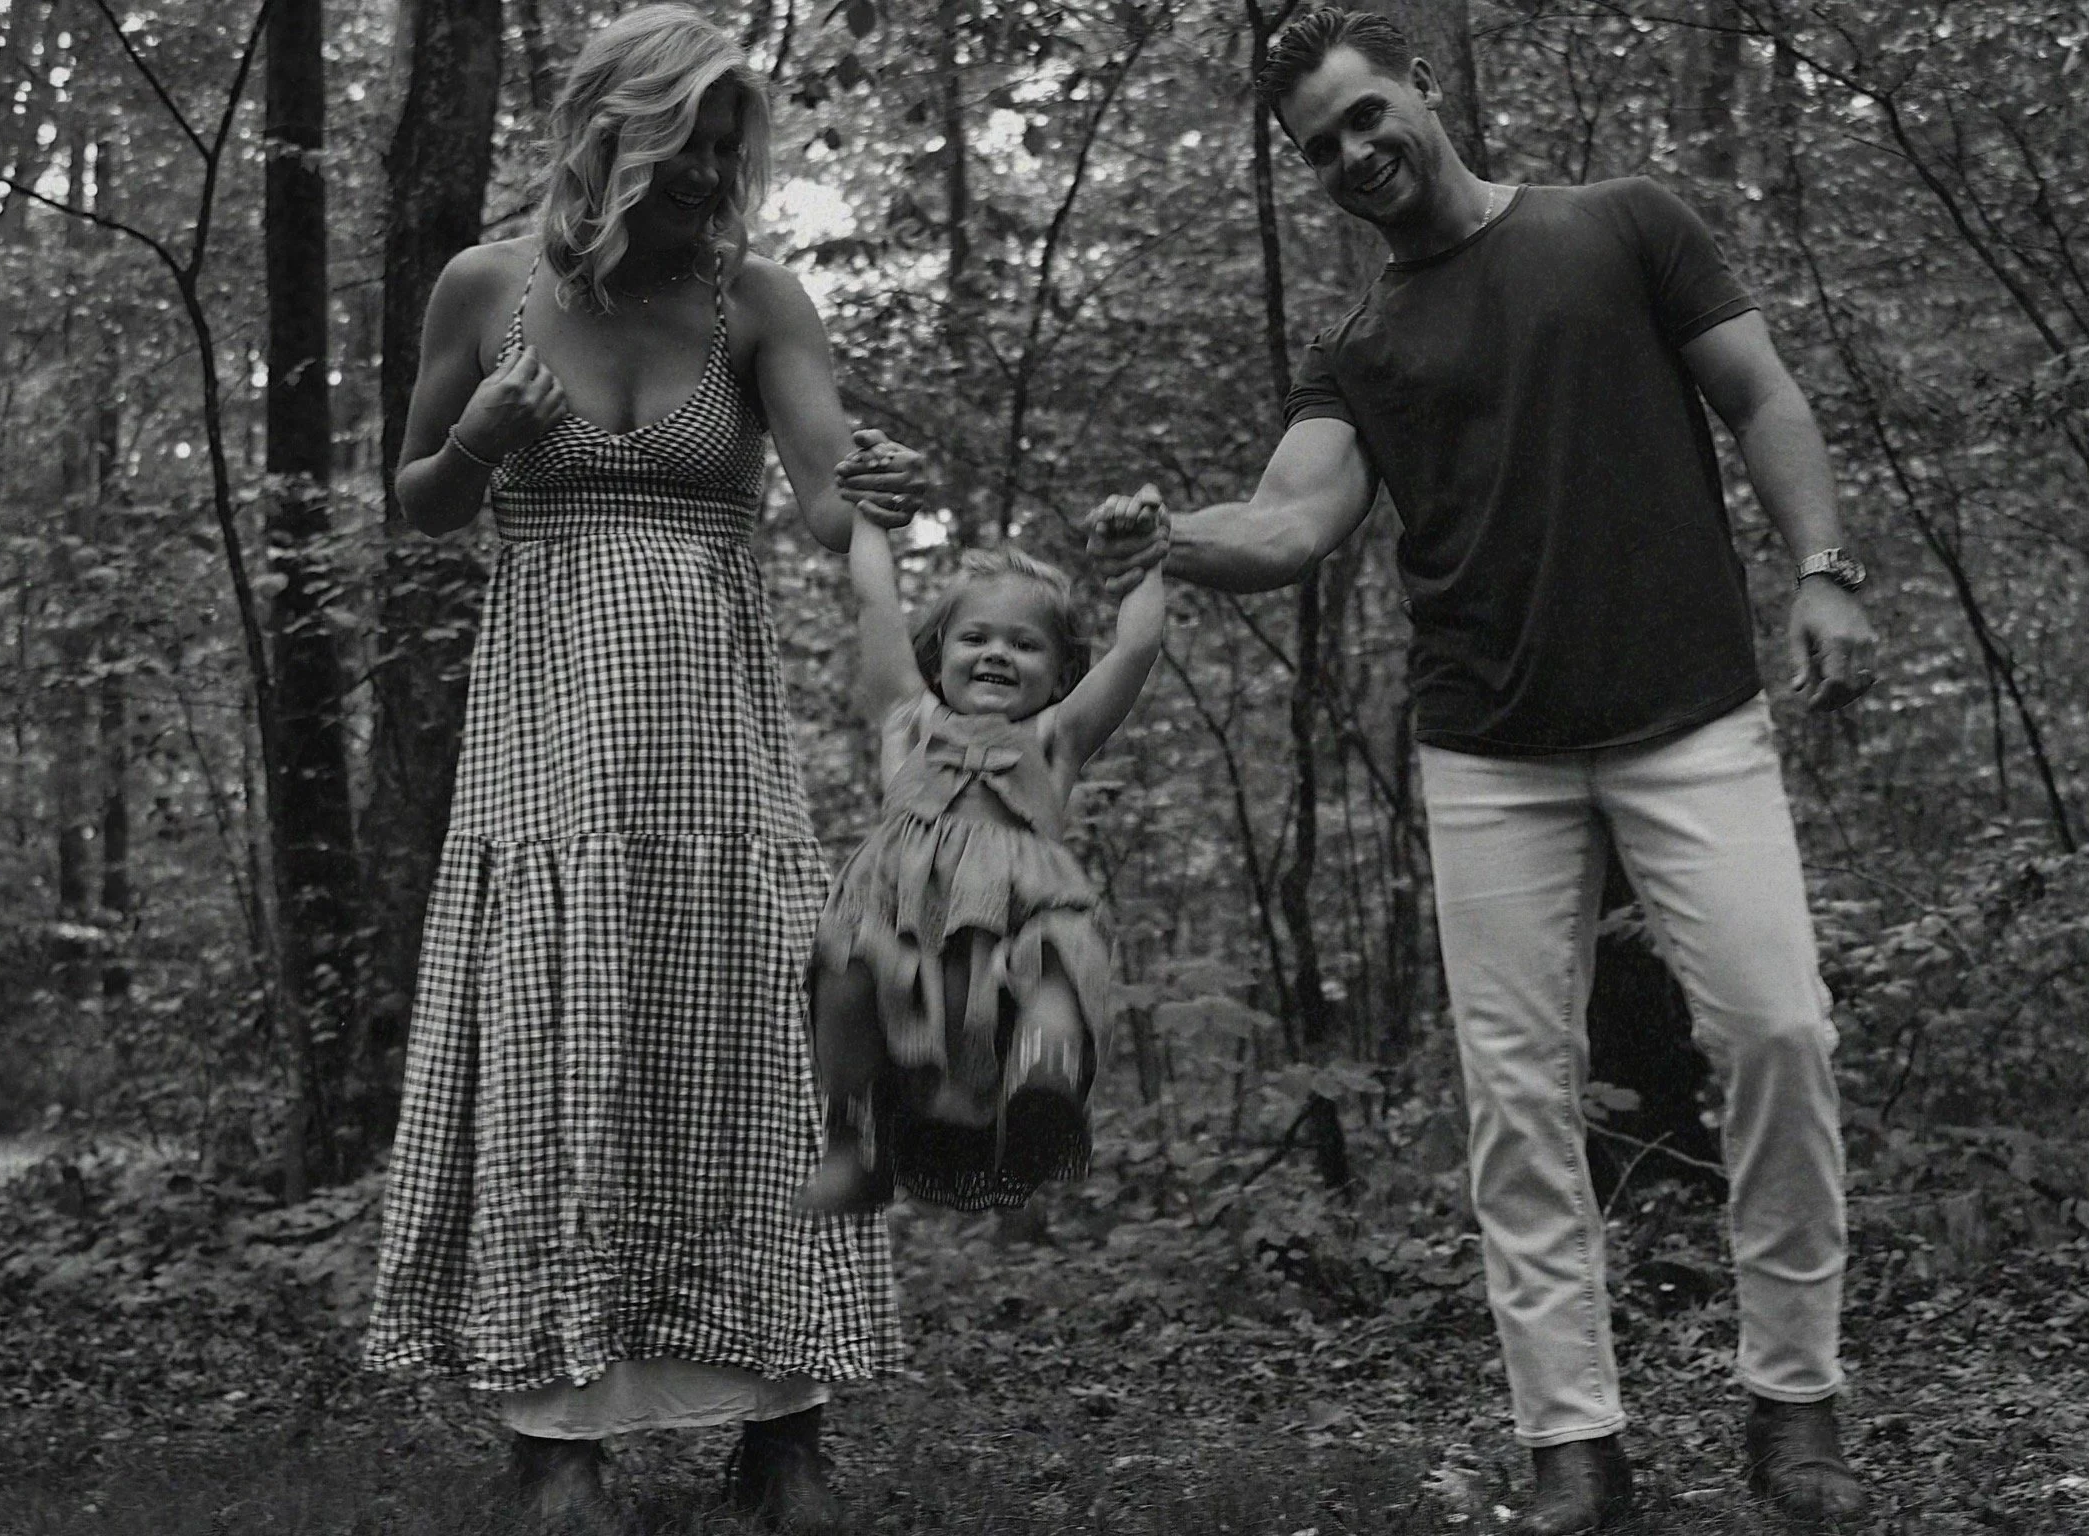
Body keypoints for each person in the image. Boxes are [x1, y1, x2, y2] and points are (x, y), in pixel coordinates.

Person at [1090, 9, 1877, 1533]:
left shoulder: (1622, 224)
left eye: (1369, 116)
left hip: (1691, 718)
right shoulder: (1360, 348)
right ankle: (1570, 1442)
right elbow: (1296, 522)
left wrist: (1824, 567)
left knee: (1779, 1032)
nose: (1356, 155)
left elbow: (1764, 395)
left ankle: (1797, 1402)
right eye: (1321, 149)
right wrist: (1171, 534)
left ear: (1425, 91)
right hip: (1489, 756)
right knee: (1518, 1100)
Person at [361, 7, 926, 1531]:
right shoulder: (485, 287)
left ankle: (783, 1431)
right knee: (560, 1035)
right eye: (692, 141)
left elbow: (821, 499)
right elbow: (414, 501)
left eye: (733, 146)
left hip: (712, 746)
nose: (716, 176)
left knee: (751, 1038)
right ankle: (559, 1440)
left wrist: (870, 497)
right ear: (608, 131)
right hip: (543, 742)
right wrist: (478, 436)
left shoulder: (756, 301)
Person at [795, 486, 1165, 1215]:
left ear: (1060, 674)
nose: (998, 652)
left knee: (1060, 964)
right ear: (940, 655)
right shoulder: (910, 716)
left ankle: (1041, 1095)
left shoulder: (1057, 736)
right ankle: (852, 1137)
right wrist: (871, 519)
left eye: (1025, 644)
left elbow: (1138, 647)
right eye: (977, 638)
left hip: (1022, 920)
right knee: (843, 975)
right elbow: (875, 608)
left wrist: (1148, 559)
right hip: (906, 921)